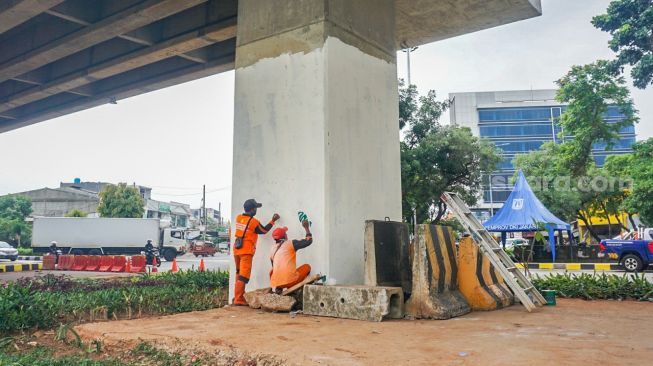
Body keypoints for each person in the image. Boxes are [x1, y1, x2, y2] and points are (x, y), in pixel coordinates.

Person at [232, 199, 280, 305]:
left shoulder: (238, 218)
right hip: (246, 251)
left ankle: (237, 296)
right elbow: (263, 230)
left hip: (237, 248)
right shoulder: (253, 222)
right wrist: (273, 220)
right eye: (256, 208)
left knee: (238, 272)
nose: (256, 210)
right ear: (252, 209)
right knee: (244, 275)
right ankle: (238, 299)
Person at [269, 219, 312, 293]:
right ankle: (296, 289)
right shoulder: (291, 243)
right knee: (307, 267)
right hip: (290, 282)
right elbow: (308, 241)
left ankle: (279, 288)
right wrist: (306, 228)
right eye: (285, 233)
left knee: (273, 271)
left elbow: (274, 266)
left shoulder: (272, 249)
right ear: (284, 236)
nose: (287, 234)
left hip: (276, 283)